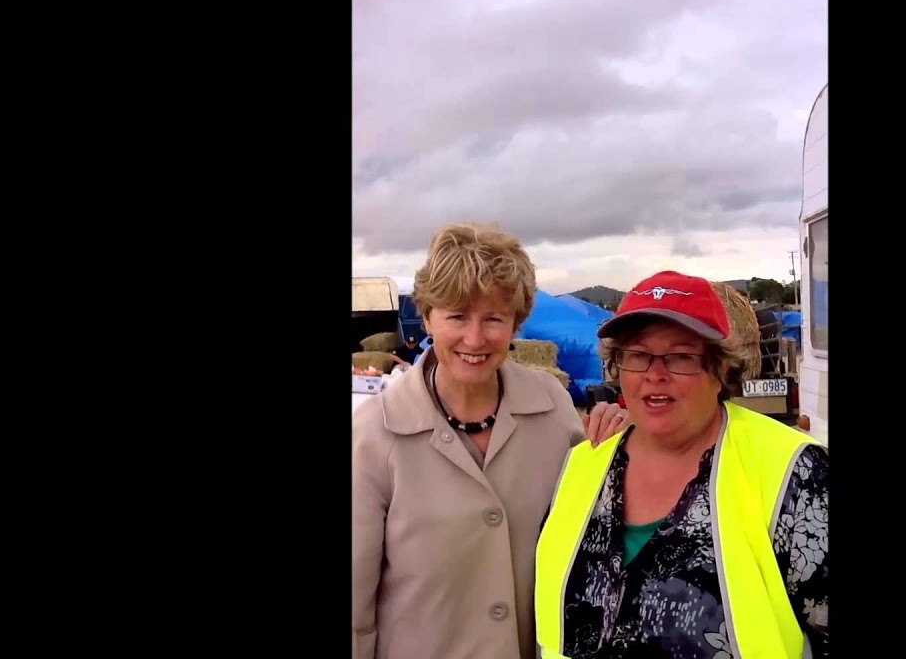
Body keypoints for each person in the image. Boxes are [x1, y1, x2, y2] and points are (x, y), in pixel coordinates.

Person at [352, 223, 628, 659]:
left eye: (494, 319)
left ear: (517, 323)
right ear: (426, 317)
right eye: (457, 316)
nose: (475, 339)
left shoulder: (553, 409)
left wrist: (616, 447)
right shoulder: (374, 434)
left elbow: (589, 533)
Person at [535, 270, 830, 659]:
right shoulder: (581, 465)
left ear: (722, 369)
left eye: (681, 357)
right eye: (638, 355)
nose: (655, 375)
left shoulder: (795, 474)